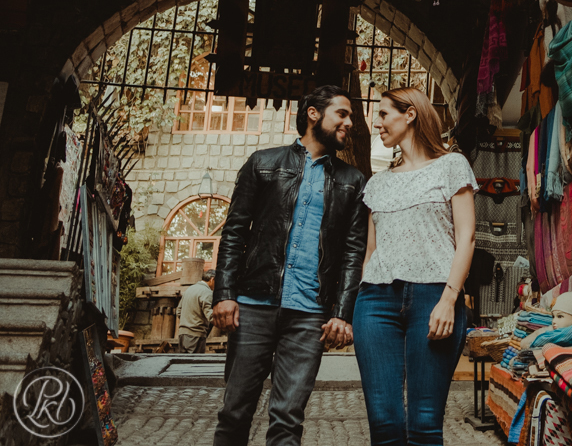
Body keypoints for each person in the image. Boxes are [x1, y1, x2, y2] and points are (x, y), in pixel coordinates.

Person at [211, 85, 369, 446]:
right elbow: (235, 233)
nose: (349, 123)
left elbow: (352, 253)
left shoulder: (353, 181)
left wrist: (342, 314)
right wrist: (224, 294)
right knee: (234, 411)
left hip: (309, 316)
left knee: (287, 420)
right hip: (251, 307)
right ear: (313, 113)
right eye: (341, 114)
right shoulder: (263, 163)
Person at [354, 86, 477, 446]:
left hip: (433, 298)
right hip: (375, 303)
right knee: (384, 422)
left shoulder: (452, 165)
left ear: (410, 115)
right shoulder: (377, 183)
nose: (376, 123)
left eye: (383, 114)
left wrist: (449, 299)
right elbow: (371, 250)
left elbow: (467, 237)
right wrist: (362, 292)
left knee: (424, 423)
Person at [177, 269, 216, 353]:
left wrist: (188, 322)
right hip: (196, 335)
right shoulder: (207, 292)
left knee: (182, 364)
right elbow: (211, 316)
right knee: (194, 364)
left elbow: (178, 311)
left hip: (182, 335)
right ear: (212, 279)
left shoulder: (189, 289)